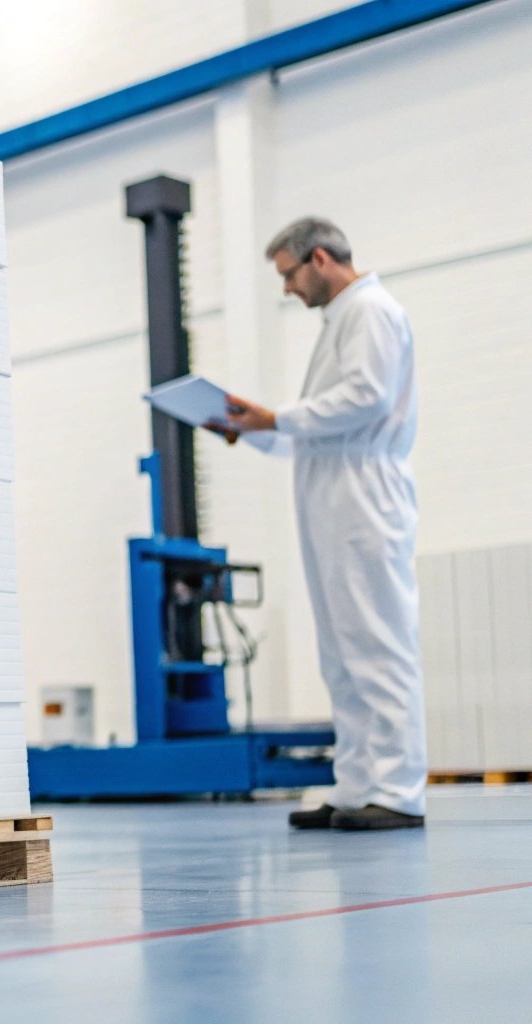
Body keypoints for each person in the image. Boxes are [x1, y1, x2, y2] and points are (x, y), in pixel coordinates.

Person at [212, 217, 427, 831]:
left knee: (379, 644)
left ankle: (398, 791)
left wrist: (276, 417)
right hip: (333, 493)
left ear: (322, 259)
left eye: (288, 274)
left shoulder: (372, 311)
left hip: (364, 495)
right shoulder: (344, 321)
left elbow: (367, 399)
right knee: (343, 649)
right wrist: (253, 429)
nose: (286, 289)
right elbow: (315, 432)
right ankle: (360, 784)